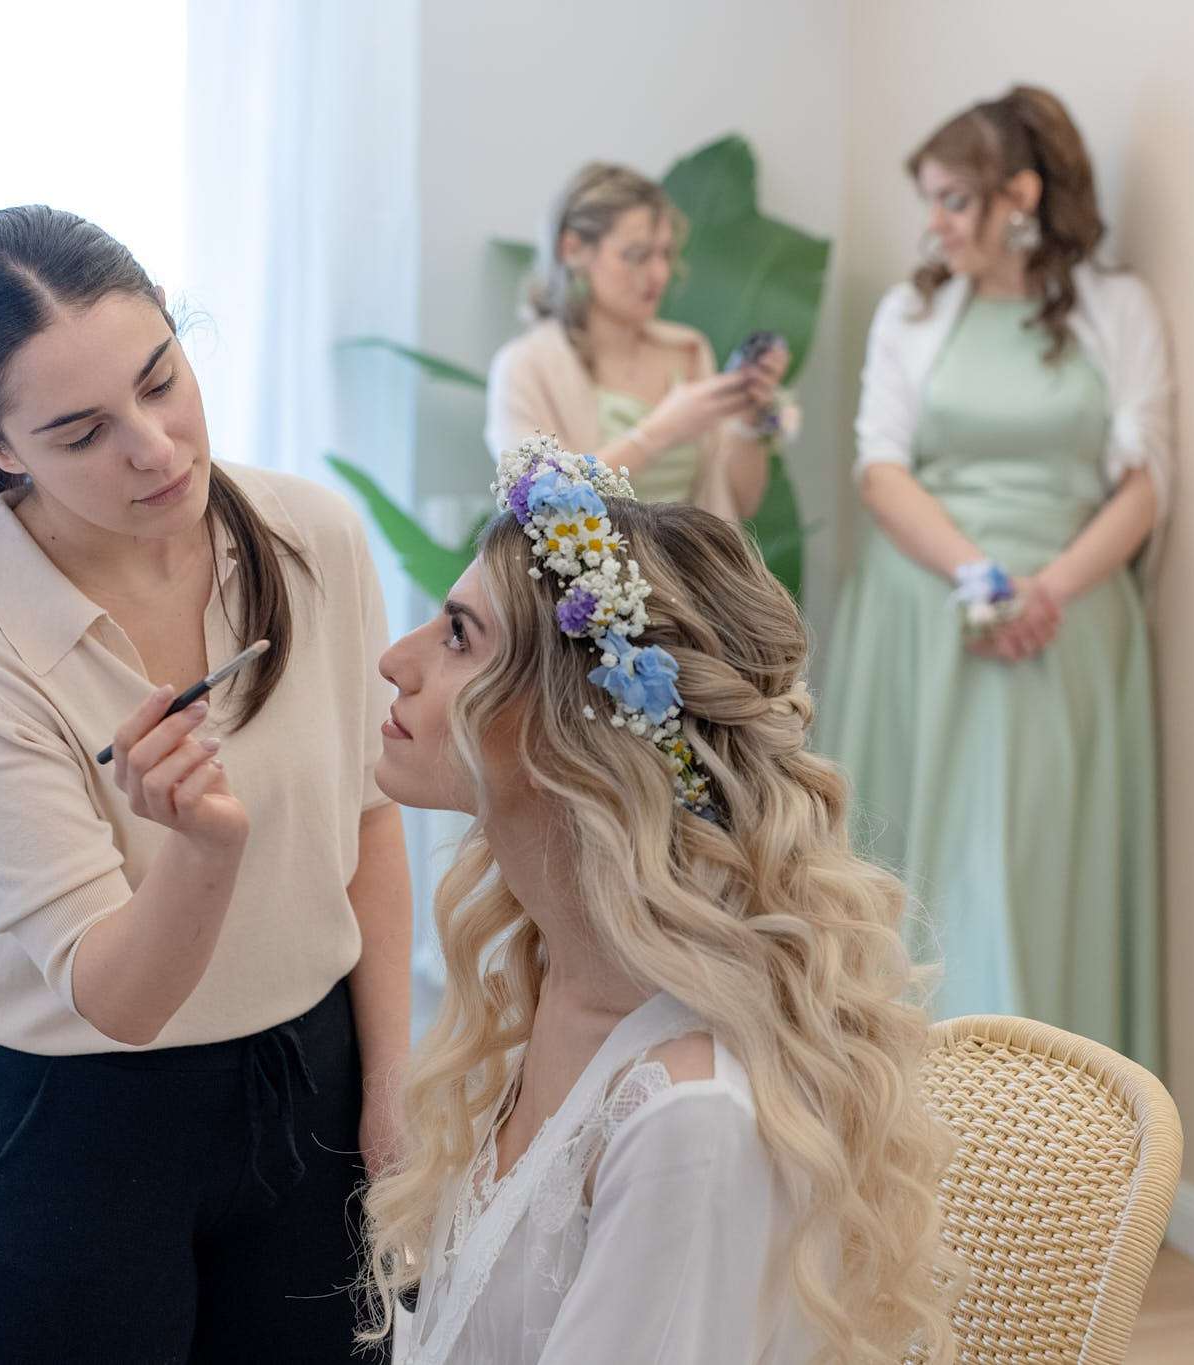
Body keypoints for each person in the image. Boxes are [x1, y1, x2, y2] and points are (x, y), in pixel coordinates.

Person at [0, 205, 410, 1363]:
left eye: (162, 380)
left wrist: (390, 1087)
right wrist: (204, 851)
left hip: (308, 1087)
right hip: (73, 1129)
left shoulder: (312, 538)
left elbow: (368, 824)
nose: (155, 448)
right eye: (80, 432)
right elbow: (119, 998)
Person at [360, 437, 956, 1364]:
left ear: (569, 735)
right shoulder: (563, 978)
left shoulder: (687, 1119)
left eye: (458, 635)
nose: (397, 660)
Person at [822, 86, 1173, 1070]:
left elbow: (1145, 483)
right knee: (923, 874)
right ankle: (897, 1129)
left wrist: (1048, 588)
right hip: (923, 612)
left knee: (1026, 871)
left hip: (1065, 622)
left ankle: (1046, 1147)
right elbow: (878, 468)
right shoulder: (912, 309)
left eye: (949, 199)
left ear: (1018, 193)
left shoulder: (1117, 307)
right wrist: (976, 577)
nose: (932, 225)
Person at [484, 162, 790, 519]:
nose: (659, 274)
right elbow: (545, 503)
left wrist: (748, 420)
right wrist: (661, 430)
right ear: (573, 250)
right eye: (637, 255)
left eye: (665, 253)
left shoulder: (688, 350)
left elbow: (735, 505)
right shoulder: (524, 366)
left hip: (686, 571)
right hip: (585, 573)